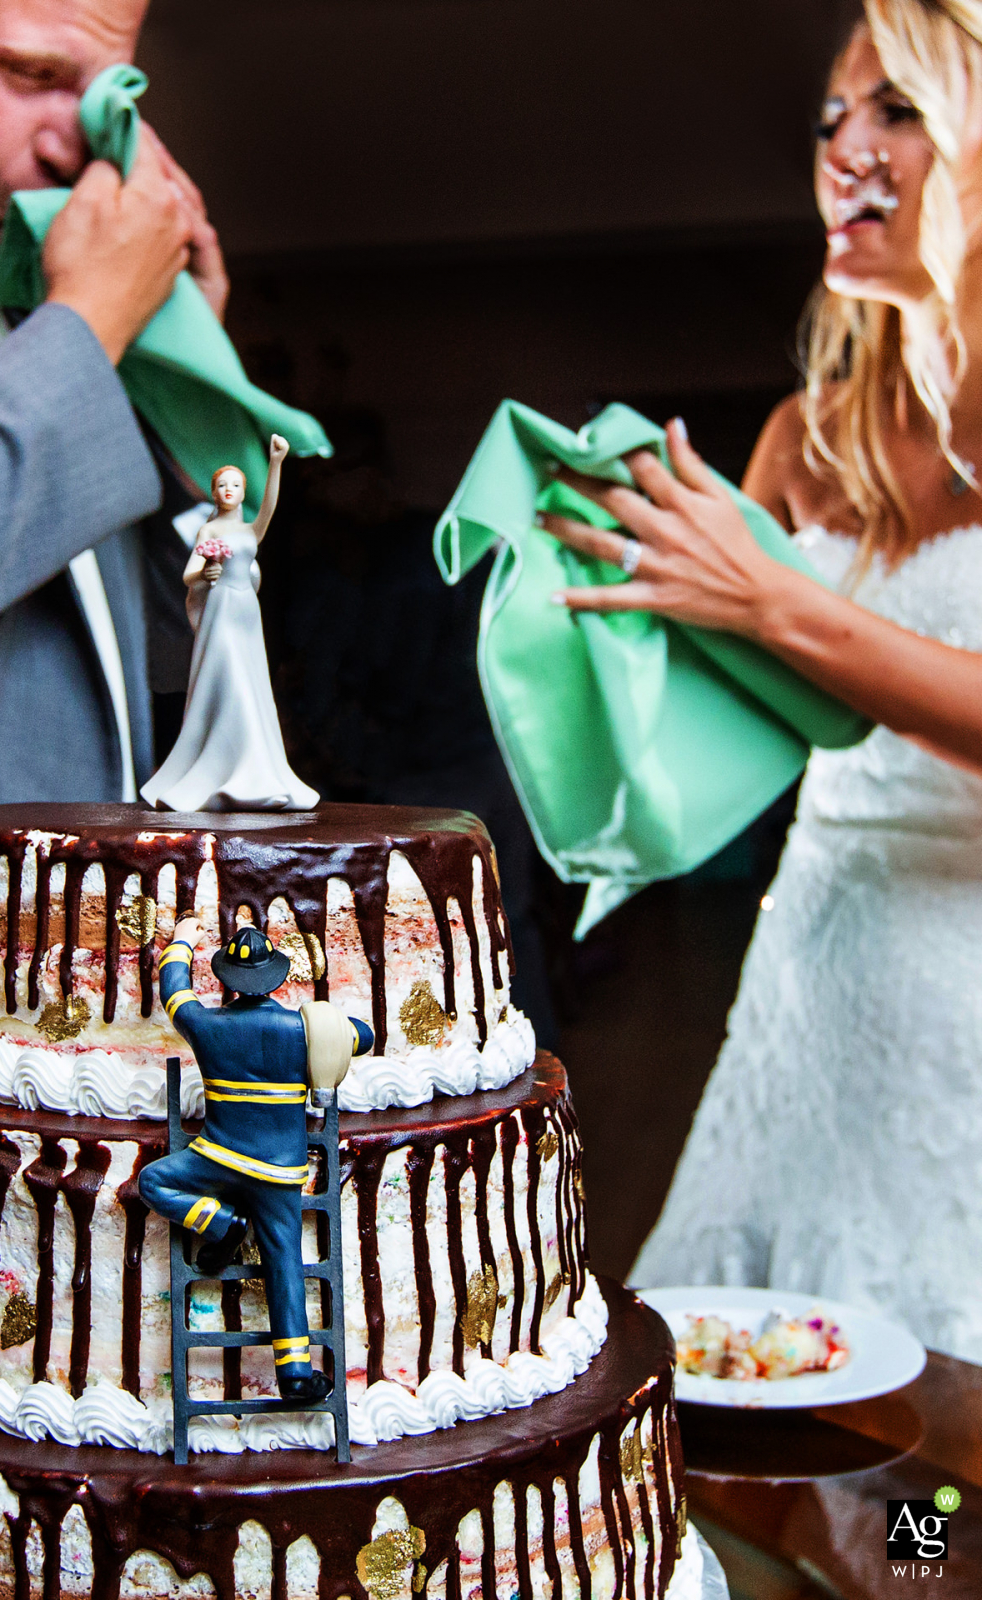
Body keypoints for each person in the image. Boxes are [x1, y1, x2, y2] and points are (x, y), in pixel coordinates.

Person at [541, 0, 982, 1360]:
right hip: (813, 965)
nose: (843, 151)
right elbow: (731, 714)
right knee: (758, 1392)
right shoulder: (810, 429)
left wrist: (772, 600)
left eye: (893, 110)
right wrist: (614, 590)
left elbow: (787, 623)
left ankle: (920, 1574)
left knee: (944, 1462)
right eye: (826, 120)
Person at [0, 0, 230, 946]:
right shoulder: (67, 329)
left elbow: (149, 680)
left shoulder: (33, 318)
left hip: (50, 1028)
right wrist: (88, 326)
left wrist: (174, 386)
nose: (77, 147)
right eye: (31, 75)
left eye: (102, 99)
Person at [139, 916, 375, 1401]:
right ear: (277, 976)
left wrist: (183, 939)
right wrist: (329, 1025)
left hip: (217, 1157)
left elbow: (174, 992)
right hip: (280, 1169)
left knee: (153, 1183)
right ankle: (295, 1374)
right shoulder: (299, 1031)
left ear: (226, 978)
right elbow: (365, 1036)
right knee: (285, 1261)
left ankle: (220, 1222)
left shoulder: (206, 1025)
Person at [141, 442, 320, 812]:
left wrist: (275, 463)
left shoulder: (251, 531)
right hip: (220, 612)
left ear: (241, 493)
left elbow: (269, 506)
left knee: (252, 685)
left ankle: (257, 771)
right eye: (222, 485)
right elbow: (188, 574)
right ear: (215, 492)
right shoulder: (208, 534)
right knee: (230, 682)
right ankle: (226, 770)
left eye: (235, 486)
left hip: (245, 612)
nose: (228, 491)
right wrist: (206, 572)